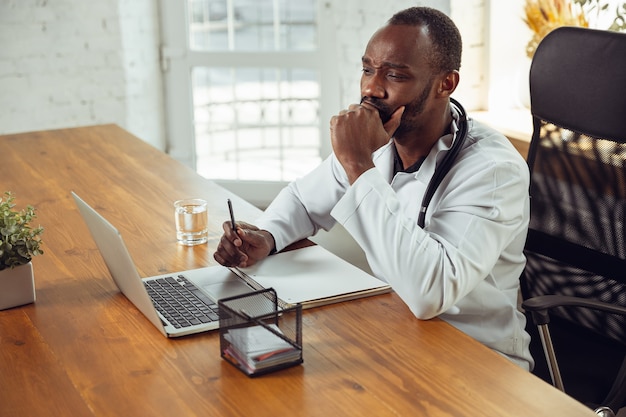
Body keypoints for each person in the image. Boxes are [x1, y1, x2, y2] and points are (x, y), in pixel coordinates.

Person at [213, 6, 533, 370]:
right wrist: (268, 236)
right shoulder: (381, 140)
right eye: (367, 69)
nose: (370, 88)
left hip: (476, 361)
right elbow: (303, 200)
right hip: (394, 335)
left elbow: (431, 292)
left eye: (395, 75)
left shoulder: (492, 171)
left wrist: (357, 164)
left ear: (447, 83)